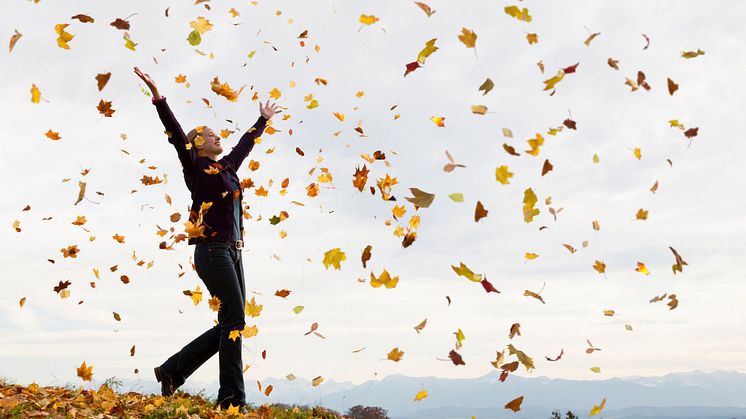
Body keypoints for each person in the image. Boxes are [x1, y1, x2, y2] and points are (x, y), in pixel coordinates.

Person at [133, 66, 280, 410]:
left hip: (233, 253)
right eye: (211, 135)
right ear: (199, 144)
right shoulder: (195, 167)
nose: (218, 138)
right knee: (234, 321)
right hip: (211, 251)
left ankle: (174, 371)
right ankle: (230, 401)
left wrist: (262, 121)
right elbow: (174, 132)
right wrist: (159, 97)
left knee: (234, 322)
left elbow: (245, 146)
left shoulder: (227, 168)